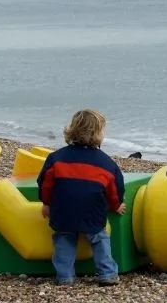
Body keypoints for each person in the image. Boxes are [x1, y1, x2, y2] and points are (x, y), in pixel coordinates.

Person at [37, 109, 126, 286]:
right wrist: (115, 205)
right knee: (99, 238)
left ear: (72, 129)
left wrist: (46, 203)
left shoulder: (56, 158)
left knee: (63, 239)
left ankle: (65, 277)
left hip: (63, 210)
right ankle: (107, 274)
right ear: (99, 133)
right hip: (92, 211)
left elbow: (45, 184)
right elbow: (115, 189)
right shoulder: (107, 163)